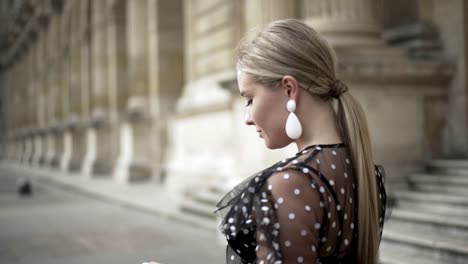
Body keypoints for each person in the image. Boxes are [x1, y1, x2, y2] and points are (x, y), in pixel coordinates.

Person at [215, 18, 386, 264]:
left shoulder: (290, 184)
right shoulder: (364, 172)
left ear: (289, 89)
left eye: (250, 99)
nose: (247, 118)